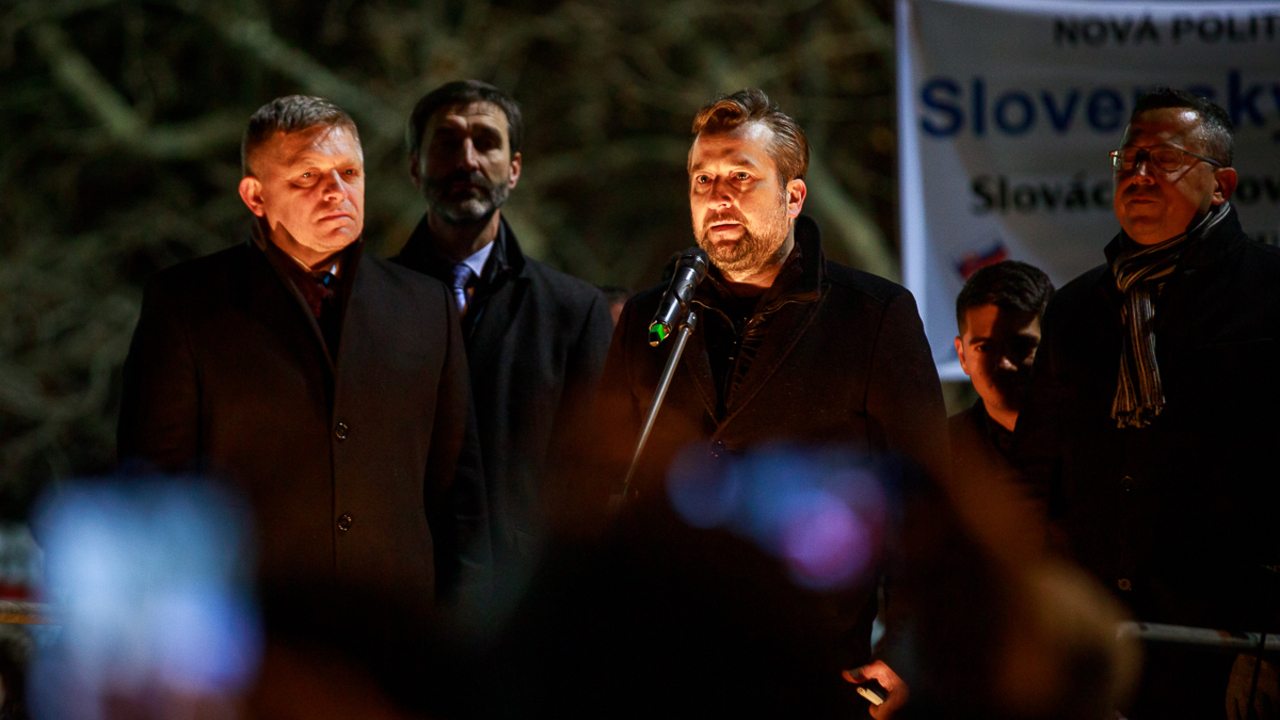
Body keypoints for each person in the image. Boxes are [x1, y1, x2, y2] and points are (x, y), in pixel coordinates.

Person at [592, 89, 949, 718]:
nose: (718, 196)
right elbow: (597, 481)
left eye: (741, 177)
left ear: (793, 196)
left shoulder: (872, 315)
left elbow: (929, 497)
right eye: (703, 180)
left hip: (816, 666)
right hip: (665, 664)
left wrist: (905, 647)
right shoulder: (653, 318)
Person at [118, 95, 489, 612]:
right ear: (255, 196)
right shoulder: (187, 304)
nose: (336, 191)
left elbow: (458, 495)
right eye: (308, 177)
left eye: (349, 173)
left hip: (394, 627)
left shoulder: (426, 305)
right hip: (246, 625)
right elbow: (152, 493)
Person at [1014, 87, 1280, 719]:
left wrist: (1271, 640)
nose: (1138, 173)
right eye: (1129, 157)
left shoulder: (1269, 293)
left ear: (1221, 186)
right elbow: (1034, 476)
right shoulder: (1078, 309)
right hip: (1096, 644)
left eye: (1165, 159)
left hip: (1232, 645)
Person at [393, 81, 613, 580]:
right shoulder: (368, 306)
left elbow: (590, 481)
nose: (467, 160)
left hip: (524, 596)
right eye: (447, 142)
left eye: (486, 142)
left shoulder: (573, 312)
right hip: (399, 591)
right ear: (415, 167)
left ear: (514, 169)